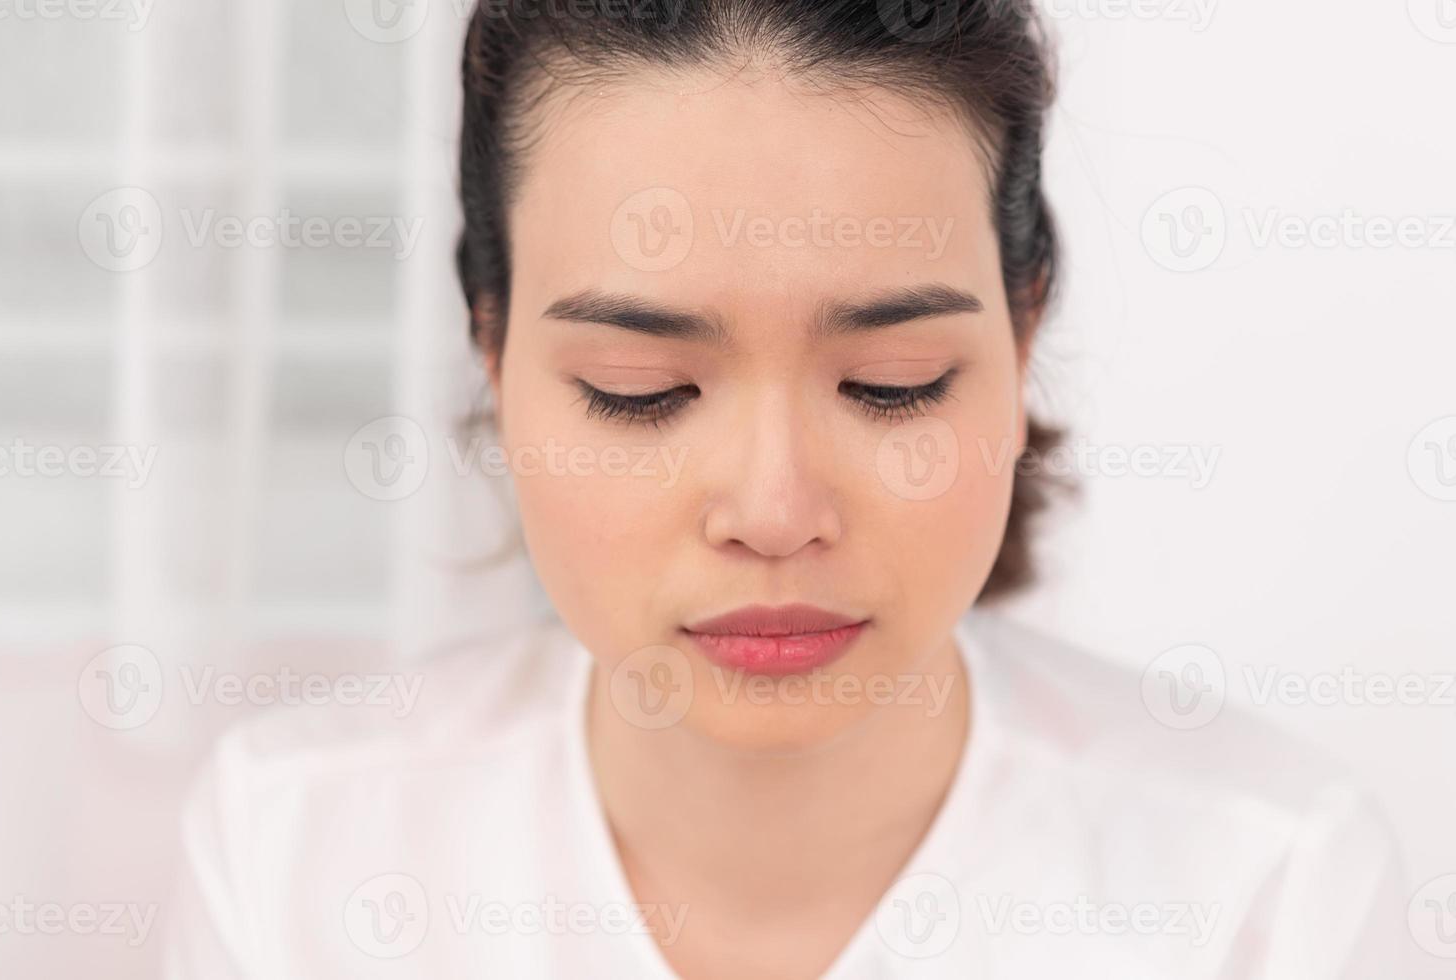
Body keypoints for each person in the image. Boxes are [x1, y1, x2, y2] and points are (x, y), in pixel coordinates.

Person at [165, 2, 1406, 976]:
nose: (772, 507)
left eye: (893, 381)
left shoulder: (1265, 892)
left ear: (1022, 344)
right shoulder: (295, 854)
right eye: (640, 388)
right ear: (492, 350)